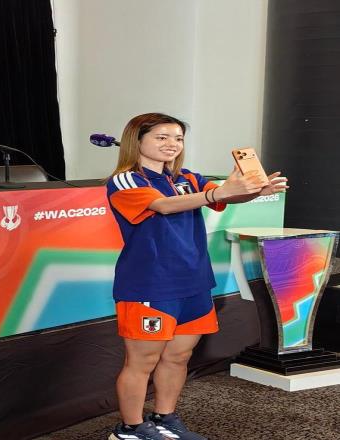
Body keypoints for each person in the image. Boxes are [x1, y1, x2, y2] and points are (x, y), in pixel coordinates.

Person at [106, 113, 288, 440]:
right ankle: (131, 428)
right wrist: (218, 194)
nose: (172, 144)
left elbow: (222, 195)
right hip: (150, 286)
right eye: (162, 137)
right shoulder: (126, 180)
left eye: (178, 138)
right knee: (142, 362)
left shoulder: (187, 177)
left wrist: (253, 191)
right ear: (138, 140)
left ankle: (164, 418)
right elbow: (163, 205)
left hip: (195, 283)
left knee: (179, 357)